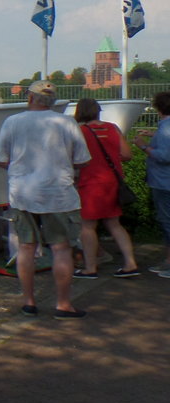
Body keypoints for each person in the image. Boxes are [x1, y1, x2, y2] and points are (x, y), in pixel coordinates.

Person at [0, 80, 91, 318]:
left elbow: (0, 159)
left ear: (29, 98)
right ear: (53, 101)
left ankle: (29, 302)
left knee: (26, 248)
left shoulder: (12, 122)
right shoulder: (66, 122)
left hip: (23, 193)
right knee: (61, 249)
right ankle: (63, 304)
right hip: (58, 194)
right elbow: (83, 159)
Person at [72, 98, 139, 279]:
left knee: (87, 226)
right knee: (114, 224)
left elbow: (74, 159)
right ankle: (130, 263)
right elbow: (126, 154)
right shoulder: (113, 128)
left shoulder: (80, 131)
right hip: (112, 181)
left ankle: (90, 267)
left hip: (90, 182)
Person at [135, 91, 170, 277]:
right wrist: (153, 134)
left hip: (164, 182)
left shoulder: (165, 128)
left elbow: (164, 156)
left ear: (158, 108)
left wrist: (143, 145)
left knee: (167, 222)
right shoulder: (165, 128)